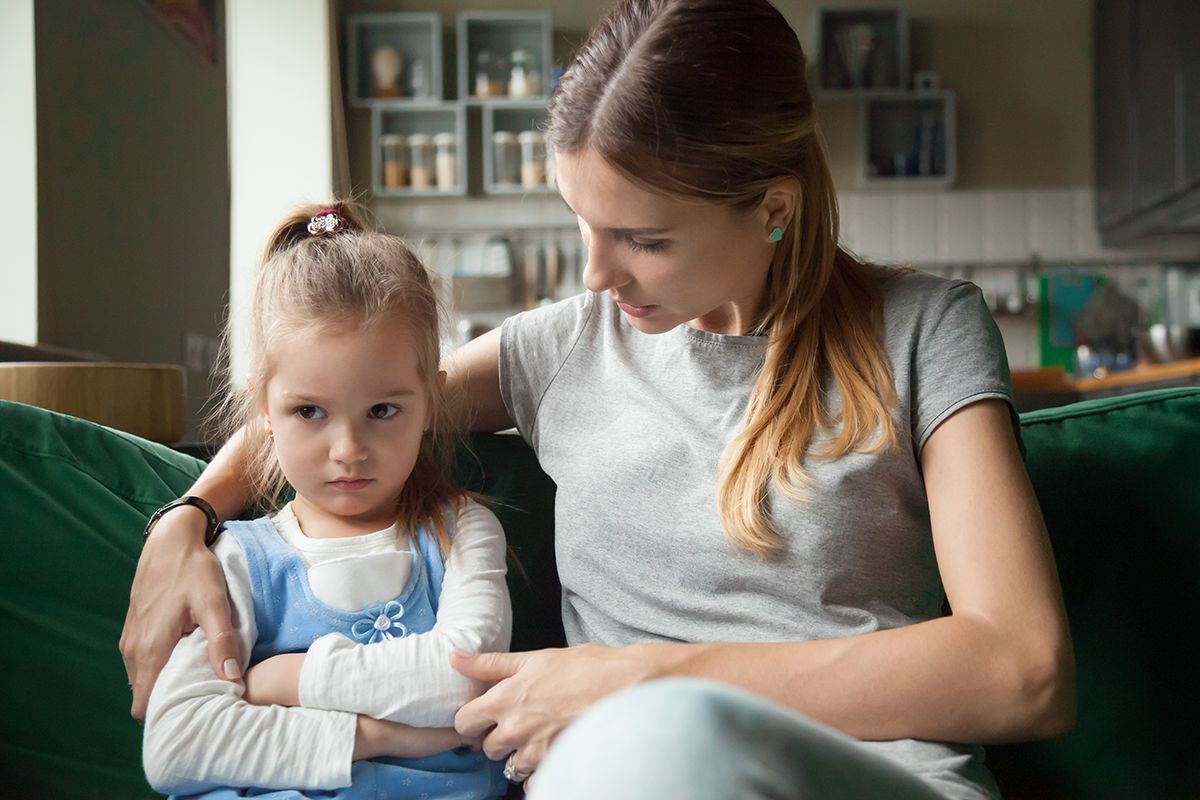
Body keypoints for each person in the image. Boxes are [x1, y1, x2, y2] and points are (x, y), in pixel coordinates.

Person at [123, 1, 1075, 797]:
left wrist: (641, 680)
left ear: (772, 210)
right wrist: (186, 521)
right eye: (582, 223)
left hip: (853, 777)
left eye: (643, 238)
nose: (596, 272)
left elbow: (1024, 670)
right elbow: (341, 407)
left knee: (661, 744)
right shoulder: (563, 347)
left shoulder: (924, 331)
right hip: (611, 780)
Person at [139, 203, 511, 799]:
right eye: (309, 411)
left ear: (431, 402)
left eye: (383, 411)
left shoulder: (461, 530)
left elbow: (464, 681)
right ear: (264, 408)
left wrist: (286, 679)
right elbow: (175, 746)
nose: (348, 450)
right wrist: (378, 736)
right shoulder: (235, 558)